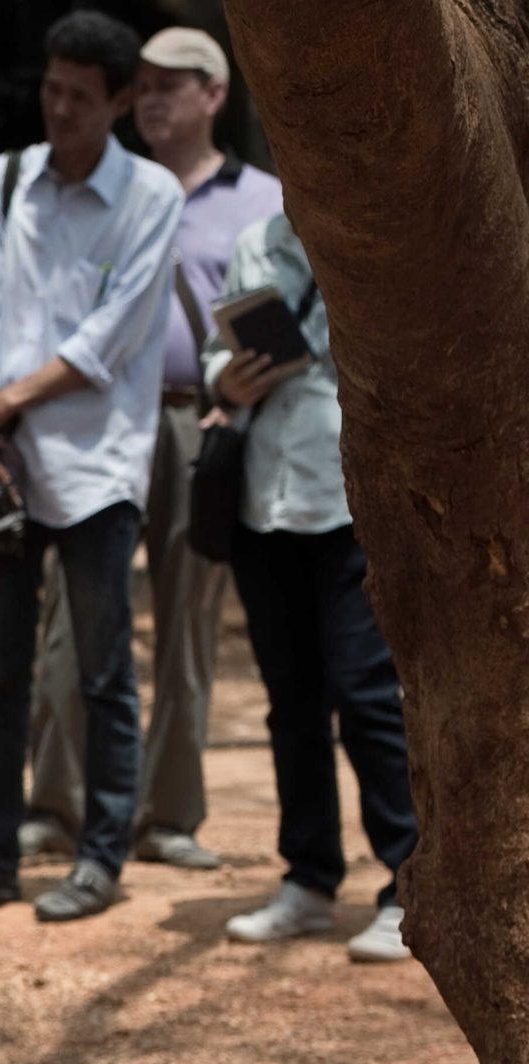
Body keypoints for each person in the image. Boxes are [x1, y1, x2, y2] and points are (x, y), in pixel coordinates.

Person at [0, 10, 183, 924]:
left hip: (97, 461)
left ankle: (101, 854)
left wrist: (0, 408)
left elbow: (108, 338)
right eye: (51, 88)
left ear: (121, 101)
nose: (60, 108)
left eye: (81, 95)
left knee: (103, 668)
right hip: (1, 461)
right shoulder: (5, 182)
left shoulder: (153, 197)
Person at [22, 25, 284, 873]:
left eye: (179, 83)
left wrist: (239, 399)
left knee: (187, 623)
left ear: (217, 94)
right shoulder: (104, 187)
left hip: (195, 419)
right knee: (69, 614)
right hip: (94, 419)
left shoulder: (268, 201)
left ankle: (168, 815)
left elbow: (284, 327)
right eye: (147, 83)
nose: (158, 97)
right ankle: (55, 804)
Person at [205, 215, 415, 964]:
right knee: (291, 701)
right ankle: (309, 878)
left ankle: (409, 886)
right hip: (266, 499)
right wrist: (224, 379)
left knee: (365, 695)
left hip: (352, 501)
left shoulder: (377, 226)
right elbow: (214, 355)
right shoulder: (255, 239)